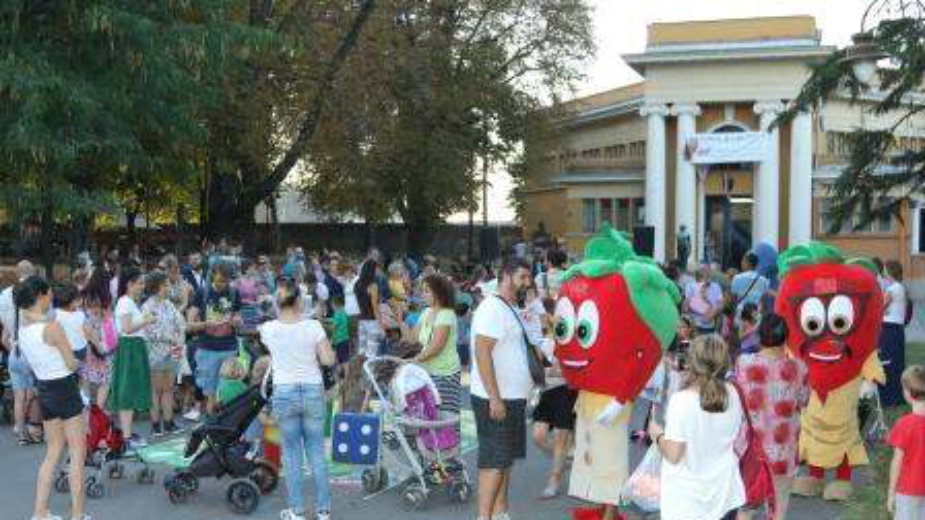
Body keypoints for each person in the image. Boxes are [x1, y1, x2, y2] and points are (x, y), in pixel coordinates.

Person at [14, 275, 90, 520]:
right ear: (41, 296)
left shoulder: (24, 328)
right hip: (64, 388)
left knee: (53, 452)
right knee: (78, 451)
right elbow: (70, 363)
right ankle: (77, 516)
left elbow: (31, 317)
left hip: (44, 390)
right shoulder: (52, 327)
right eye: (48, 293)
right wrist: (78, 361)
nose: (51, 297)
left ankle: (40, 513)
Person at [259, 278, 335, 520]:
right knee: (316, 452)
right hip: (312, 389)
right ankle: (323, 511)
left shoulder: (268, 329)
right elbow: (328, 360)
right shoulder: (313, 326)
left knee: (291, 454)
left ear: (277, 303)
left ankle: (297, 511)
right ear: (300, 301)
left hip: (284, 392)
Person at [647, 335, 746, 520]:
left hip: (687, 501)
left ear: (693, 362)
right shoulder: (733, 393)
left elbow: (674, 454)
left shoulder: (682, 401)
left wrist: (657, 434)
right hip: (724, 493)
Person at [470, 257, 533, 520]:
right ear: (505, 276)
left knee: (504, 461)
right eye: (522, 277)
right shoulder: (492, 308)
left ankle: (500, 513)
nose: (526, 283)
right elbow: (482, 352)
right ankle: (484, 517)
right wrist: (495, 398)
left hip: (511, 398)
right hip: (496, 400)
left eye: (528, 278)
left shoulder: (507, 307)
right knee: (494, 461)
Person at [734, 314, 809, 520]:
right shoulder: (799, 368)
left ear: (759, 337)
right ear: (786, 338)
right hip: (783, 450)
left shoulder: (743, 363)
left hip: (750, 449)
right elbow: (804, 401)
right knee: (779, 504)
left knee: (746, 505)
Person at [109, 266, 155, 448]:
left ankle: (128, 434)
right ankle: (126, 437)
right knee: (127, 391)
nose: (143, 286)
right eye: (140, 283)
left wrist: (144, 320)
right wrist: (146, 319)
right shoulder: (125, 301)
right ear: (130, 284)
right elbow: (127, 328)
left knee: (131, 390)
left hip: (134, 347)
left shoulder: (129, 301)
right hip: (130, 348)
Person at [406, 274, 462, 422]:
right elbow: (412, 339)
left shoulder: (446, 314)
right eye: (422, 290)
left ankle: (446, 445)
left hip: (445, 373)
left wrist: (414, 360)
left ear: (438, 292)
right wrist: (401, 319)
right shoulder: (426, 312)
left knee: (444, 418)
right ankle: (432, 444)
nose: (423, 294)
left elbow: (436, 347)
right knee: (429, 416)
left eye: (426, 291)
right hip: (427, 371)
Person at [187, 262, 241, 414]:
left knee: (227, 392)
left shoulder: (234, 292)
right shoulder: (202, 292)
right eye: (219, 281)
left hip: (229, 348)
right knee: (210, 393)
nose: (222, 285)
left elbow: (237, 316)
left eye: (226, 281)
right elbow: (189, 324)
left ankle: (222, 427)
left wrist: (237, 321)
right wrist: (205, 324)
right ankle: (212, 425)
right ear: (212, 276)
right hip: (207, 349)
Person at [1, 260, 43, 445]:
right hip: (30, 349)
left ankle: (20, 432)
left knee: (19, 395)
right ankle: (34, 429)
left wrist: (14, 349)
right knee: (34, 391)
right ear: (32, 272)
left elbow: (4, 336)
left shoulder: (3, 295)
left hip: (13, 351)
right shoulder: (32, 292)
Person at [142, 271, 185, 436]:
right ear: (157, 286)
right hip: (156, 353)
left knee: (168, 388)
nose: (169, 287)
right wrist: (170, 338)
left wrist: (179, 337)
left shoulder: (169, 304)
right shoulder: (148, 305)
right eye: (166, 285)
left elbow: (180, 322)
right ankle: (155, 425)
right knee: (155, 390)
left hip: (173, 351)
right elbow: (149, 331)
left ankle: (168, 423)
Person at [887, 365, 925, 520]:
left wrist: (891, 493)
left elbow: (896, 463)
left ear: (908, 393)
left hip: (907, 491)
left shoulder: (904, 424)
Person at [880, 260, 908, 407]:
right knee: (896, 363)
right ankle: (896, 397)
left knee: (888, 363)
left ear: (890, 271)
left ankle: (889, 399)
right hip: (896, 330)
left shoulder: (893, 289)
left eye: (885, 269)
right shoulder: (900, 287)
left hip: (889, 329)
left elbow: (880, 306)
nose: (883, 271)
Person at [355, 259, 386, 358]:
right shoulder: (373, 286)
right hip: (372, 321)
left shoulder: (357, 284)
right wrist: (381, 326)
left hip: (361, 319)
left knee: (361, 350)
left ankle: (358, 372)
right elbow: (375, 307)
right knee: (371, 352)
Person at [683, 264, 724, 335]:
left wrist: (712, 314)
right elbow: (686, 307)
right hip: (694, 325)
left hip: (710, 326)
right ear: (697, 276)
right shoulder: (690, 286)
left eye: (708, 273)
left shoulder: (716, 286)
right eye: (704, 273)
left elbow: (720, 305)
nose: (708, 275)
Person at [730, 252, 770, 321]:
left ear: (748, 263)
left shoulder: (737, 278)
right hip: (756, 315)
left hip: (741, 313)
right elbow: (762, 301)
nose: (741, 263)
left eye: (743, 261)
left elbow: (733, 299)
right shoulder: (764, 281)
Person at [330, 295, 351, 366]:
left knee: (338, 358)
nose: (332, 307)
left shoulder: (337, 314)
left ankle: (339, 374)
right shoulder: (344, 312)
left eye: (332, 305)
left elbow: (334, 327)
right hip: (346, 338)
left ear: (336, 305)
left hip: (339, 339)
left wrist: (332, 339)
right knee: (346, 358)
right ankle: (346, 376)